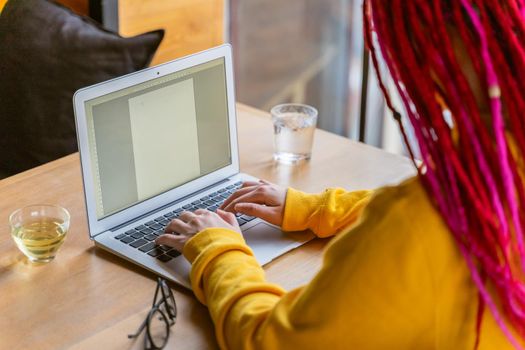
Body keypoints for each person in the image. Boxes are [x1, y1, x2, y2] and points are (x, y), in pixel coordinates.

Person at [156, 0, 525, 348]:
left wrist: (218, 249)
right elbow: (465, 208)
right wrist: (316, 209)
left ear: (425, 51)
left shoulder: (419, 226)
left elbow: (270, 342)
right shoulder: (497, 167)